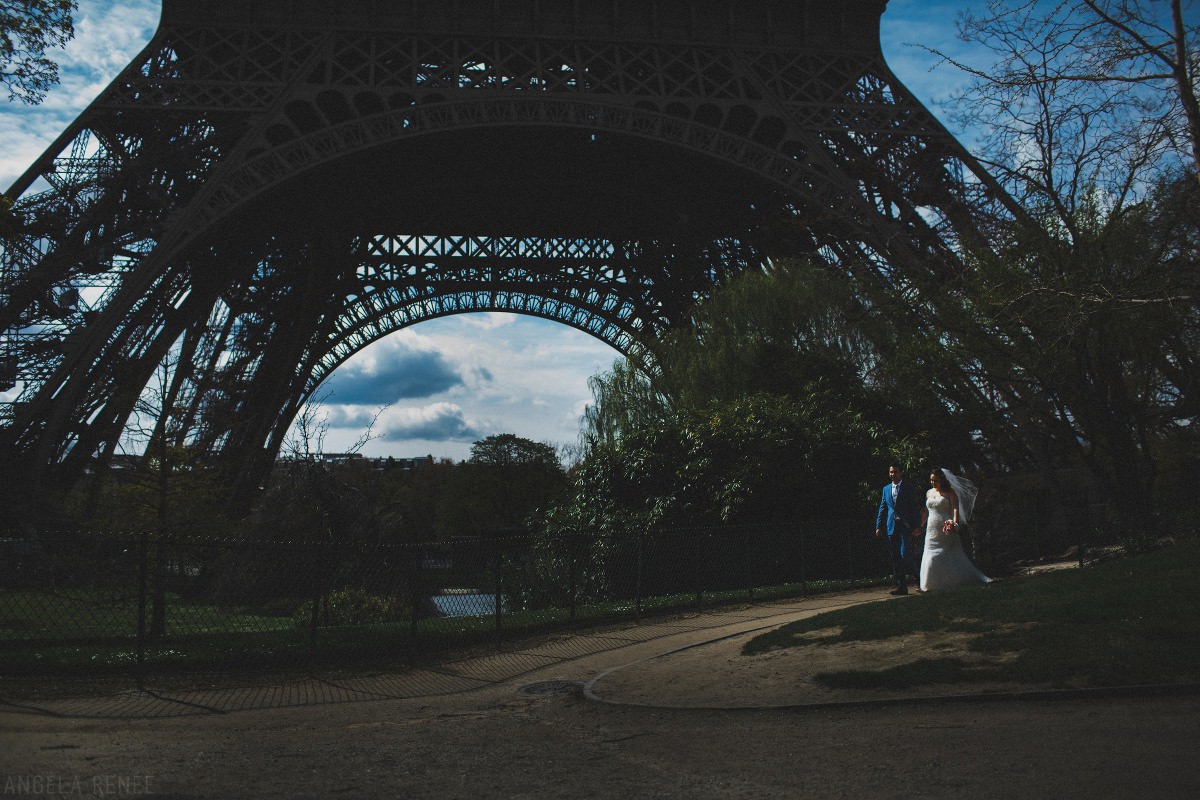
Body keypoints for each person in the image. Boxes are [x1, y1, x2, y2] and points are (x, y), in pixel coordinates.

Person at [920, 468, 992, 591]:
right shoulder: (929, 493)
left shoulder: (950, 492)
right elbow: (926, 511)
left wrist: (954, 522)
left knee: (946, 554)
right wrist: (920, 524)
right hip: (931, 529)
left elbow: (955, 508)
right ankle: (928, 584)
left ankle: (951, 580)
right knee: (929, 554)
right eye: (931, 480)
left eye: (936, 480)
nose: (933, 482)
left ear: (942, 480)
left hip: (945, 528)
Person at [875, 464, 925, 595]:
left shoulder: (908, 488)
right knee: (895, 557)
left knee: (906, 555)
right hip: (892, 526)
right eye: (891, 472)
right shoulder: (886, 489)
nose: (893, 475)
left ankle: (920, 580)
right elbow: (883, 507)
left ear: (901, 473)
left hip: (905, 526)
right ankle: (901, 586)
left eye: (895, 472)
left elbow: (914, 508)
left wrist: (916, 525)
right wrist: (878, 525)